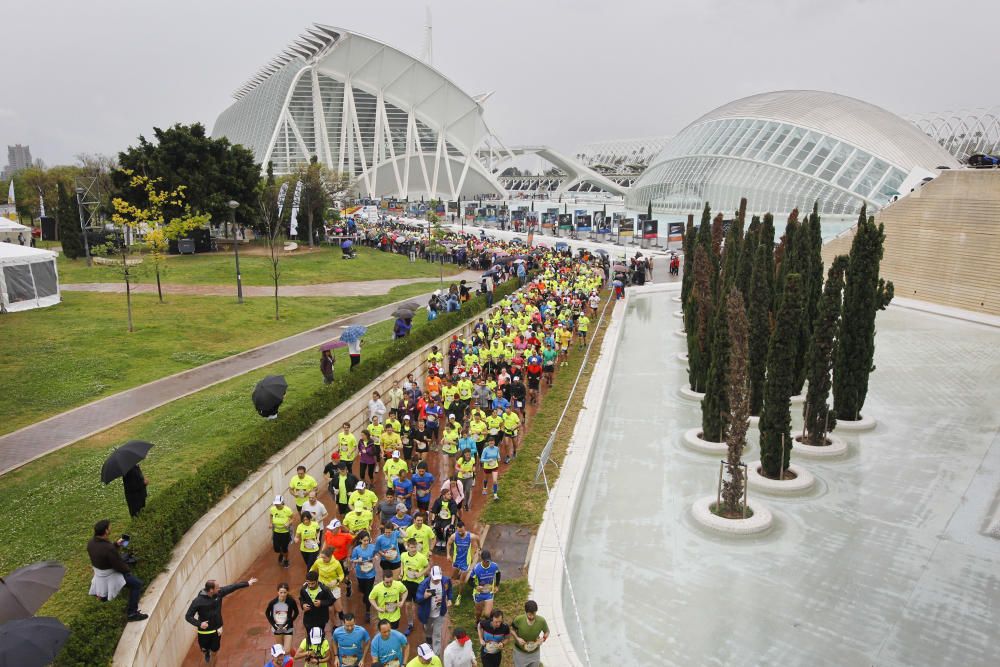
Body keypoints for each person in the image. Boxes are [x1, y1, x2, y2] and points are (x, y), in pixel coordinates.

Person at [184, 576, 258, 663]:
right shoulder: (198, 601)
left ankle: (213, 662)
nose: (219, 588)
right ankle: (206, 652)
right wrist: (199, 624)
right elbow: (188, 616)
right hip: (204, 632)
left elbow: (232, 587)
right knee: (204, 649)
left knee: (215, 650)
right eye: (217, 587)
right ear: (211, 590)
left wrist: (247, 583)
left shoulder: (219, 593)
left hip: (217, 629)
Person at [86, 519, 147, 622]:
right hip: (111, 574)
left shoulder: (91, 543)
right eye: (110, 527)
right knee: (137, 584)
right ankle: (132, 613)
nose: (111, 528)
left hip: (100, 573)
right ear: (106, 531)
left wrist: (116, 545)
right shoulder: (108, 548)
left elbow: (103, 553)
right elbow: (119, 566)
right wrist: (128, 570)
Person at [416, 565, 452, 655]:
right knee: (427, 628)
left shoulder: (445, 581)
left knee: (437, 634)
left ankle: (436, 654)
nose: (437, 581)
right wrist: (424, 596)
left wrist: (450, 599)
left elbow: (449, 590)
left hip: (440, 612)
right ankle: (428, 638)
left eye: (438, 579)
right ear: (430, 575)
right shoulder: (424, 584)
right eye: (435, 579)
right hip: (427, 613)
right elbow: (418, 599)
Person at [399, 537, 429, 636]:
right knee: (408, 605)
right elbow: (402, 563)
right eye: (411, 547)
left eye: (415, 547)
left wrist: (420, 574)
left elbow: (427, 567)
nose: (413, 549)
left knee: (419, 604)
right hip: (407, 582)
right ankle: (410, 624)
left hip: (418, 584)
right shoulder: (403, 555)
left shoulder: (421, 557)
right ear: (407, 547)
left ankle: (424, 622)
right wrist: (402, 572)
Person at [446, 521, 478, 606]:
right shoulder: (454, 536)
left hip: (466, 562)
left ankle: (459, 596)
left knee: (462, 581)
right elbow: (448, 544)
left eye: (461, 531)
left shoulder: (470, 536)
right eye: (458, 531)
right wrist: (448, 554)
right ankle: (450, 592)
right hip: (456, 561)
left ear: (464, 528)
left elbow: (477, 538)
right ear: (457, 529)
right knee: (453, 577)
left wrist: (480, 548)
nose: (460, 532)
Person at [510, 600, 549, 667]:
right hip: (520, 653)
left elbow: (547, 631)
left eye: (533, 614)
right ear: (525, 612)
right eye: (529, 615)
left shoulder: (541, 621)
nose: (532, 617)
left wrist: (543, 639)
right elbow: (511, 630)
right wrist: (517, 638)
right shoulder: (518, 620)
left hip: (535, 653)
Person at [310, 547, 346, 620]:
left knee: (338, 608)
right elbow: (312, 570)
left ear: (330, 557)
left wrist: (336, 580)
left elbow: (342, 575)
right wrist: (312, 579)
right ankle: (335, 624)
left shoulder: (336, 563)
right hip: (323, 588)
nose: (323, 559)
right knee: (330, 610)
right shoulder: (318, 562)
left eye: (325, 558)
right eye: (322, 557)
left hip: (333, 588)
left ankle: (340, 613)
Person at [351, 530, 379, 622]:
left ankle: (367, 611)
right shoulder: (356, 549)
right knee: (363, 590)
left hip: (371, 574)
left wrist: (376, 557)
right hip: (361, 574)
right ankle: (365, 597)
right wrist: (357, 560)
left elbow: (376, 554)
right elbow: (352, 560)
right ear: (360, 540)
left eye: (368, 540)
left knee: (368, 593)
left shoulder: (372, 547)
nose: (366, 542)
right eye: (364, 541)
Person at [323, 519, 355, 600]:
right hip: (331, 560)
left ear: (338, 528)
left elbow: (353, 543)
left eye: (333, 528)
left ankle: (348, 584)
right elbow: (326, 543)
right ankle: (332, 594)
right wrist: (322, 553)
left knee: (343, 579)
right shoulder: (328, 533)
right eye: (330, 528)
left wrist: (349, 555)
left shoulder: (346, 536)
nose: (330, 530)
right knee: (331, 577)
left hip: (342, 560)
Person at [265, 583, 300, 653]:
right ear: (278, 592)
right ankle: (288, 655)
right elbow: (267, 613)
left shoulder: (291, 601)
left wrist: (290, 621)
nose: (283, 594)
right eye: (281, 592)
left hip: (288, 628)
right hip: (277, 628)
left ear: (287, 592)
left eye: (285, 592)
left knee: (286, 651)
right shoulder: (273, 603)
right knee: (281, 650)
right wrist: (274, 625)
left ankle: (289, 650)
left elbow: (296, 612)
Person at [300, 570, 336, 635]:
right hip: (308, 618)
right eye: (308, 583)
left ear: (317, 581)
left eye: (312, 583)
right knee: (309, 635)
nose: (310, 585)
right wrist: (303, 605)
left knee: (320, 634)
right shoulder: (303, 589)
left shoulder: (324, 589)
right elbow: (302, 599)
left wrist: (321, 603)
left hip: (321, 618)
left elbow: (331, 600)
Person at [471, 551, 501, 621]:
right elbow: (470, 580)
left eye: (489, 561)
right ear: (482, 560)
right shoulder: (476, 568)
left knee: (487, 614)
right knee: (478, 612)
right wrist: (476, 586)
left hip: (489, 592)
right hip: (479, 593)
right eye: (486, 561)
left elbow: (498, 574)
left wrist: (497, 586)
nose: (487, 563)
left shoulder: (494, 566)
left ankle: (486, 626)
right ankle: (477, 621)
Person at [269, 495, 295, 569]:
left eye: (278, 504)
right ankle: (281, 553)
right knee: (276, 548)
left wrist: (289, 523)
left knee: (284, 548)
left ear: (282, 502)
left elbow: (292, 518)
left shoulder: (287, 510)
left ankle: (286, 560)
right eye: (276, 504)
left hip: (285, 532)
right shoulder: (273, 509)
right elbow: (271, 515)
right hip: (276, 531)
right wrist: (270, 523)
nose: (277, 505)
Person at [429, 487, 458, 553]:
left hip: (448, 519)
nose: (450, 495)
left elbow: (453, 513)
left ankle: (445, 541)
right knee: (436, 527)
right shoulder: (438, 501)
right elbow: (434, 511)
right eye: (448, 494)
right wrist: (433, 520)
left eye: (450, 494)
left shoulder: (452, 502)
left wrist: (452, 524)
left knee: (446, 530)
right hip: (440, 518)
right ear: (443, 495)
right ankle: (440, 540)